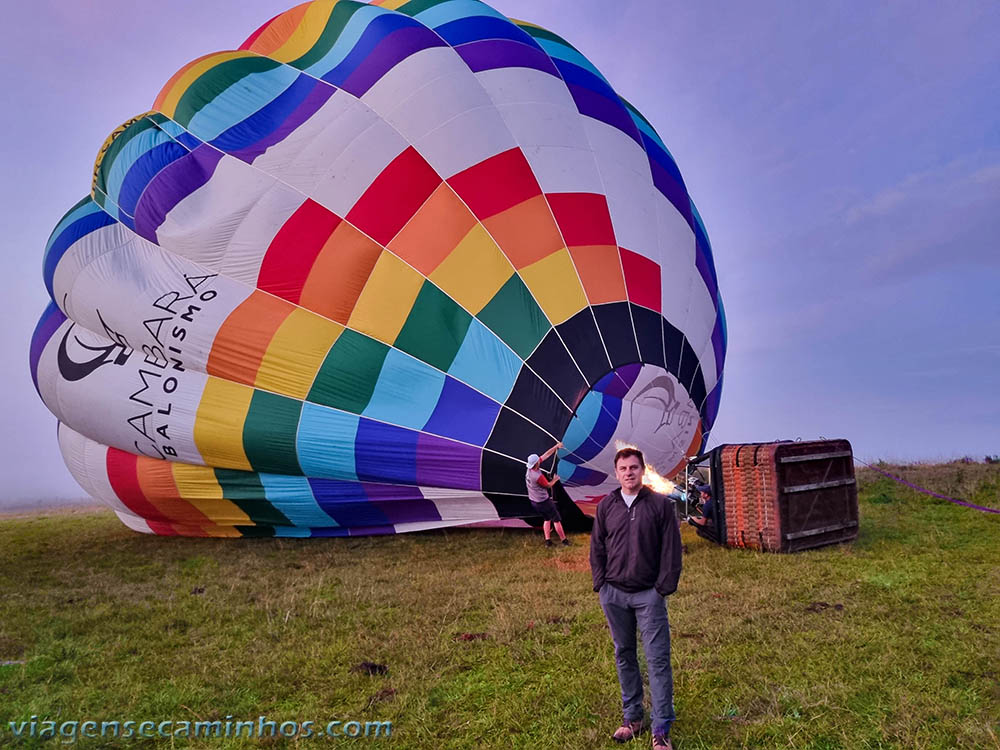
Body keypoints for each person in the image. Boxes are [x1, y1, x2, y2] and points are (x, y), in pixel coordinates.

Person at [590, 447, 681, 750]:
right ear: (616, 473)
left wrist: (661, 589)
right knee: (624, 654)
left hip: (648, 595)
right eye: (623, 469)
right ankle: (633, 718)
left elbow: (671, 550)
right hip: (614, 593)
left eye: (633, 467)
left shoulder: (660, 506)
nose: (629, 473)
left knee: (657, 660)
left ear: (643, 470)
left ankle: (661, 727)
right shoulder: (606, 506)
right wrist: (601, 585)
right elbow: (597, 548)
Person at [525, 442, 569, 547]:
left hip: (534, 501)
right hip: (543, 502)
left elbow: (546, 455)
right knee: (556, 520)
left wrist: (555, 447)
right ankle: (564, 541)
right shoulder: (537, 476)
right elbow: (548, 485)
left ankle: (548, 541)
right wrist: (555, 479)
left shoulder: (529, 469)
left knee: (546, 519)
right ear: (537, 463)